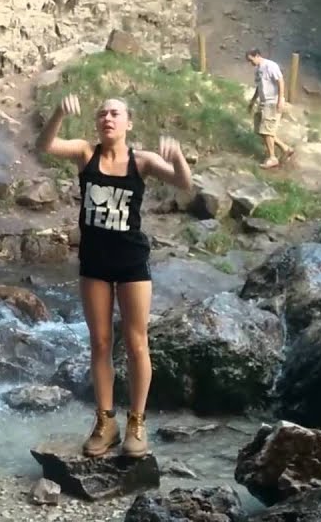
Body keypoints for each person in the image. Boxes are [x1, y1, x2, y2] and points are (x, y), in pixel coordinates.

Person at [36, 93, 193, 458]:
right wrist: (59, 112)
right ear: (97, 123)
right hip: (94, 262)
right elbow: (44, 144)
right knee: (101, 342)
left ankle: (136, 423)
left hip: (131, 262)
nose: (108, 118)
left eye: (115, 113)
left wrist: (179, 156)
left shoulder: (143, 161)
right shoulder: (84, 153)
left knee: (137, 342)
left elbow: (184, 184)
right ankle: (105, 423)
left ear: (128, 123)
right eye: (103, 113)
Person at [245, 49, 293, 169]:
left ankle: (272, 158)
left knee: (266, 131)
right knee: (261, 130)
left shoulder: (270, 66)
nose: (250, 63)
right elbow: (259, 87)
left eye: (251, 60)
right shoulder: (258, 69)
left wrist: (281, 99)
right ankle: (285, 149)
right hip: (263, 103)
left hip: (272, 102)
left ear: (257, 56)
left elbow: (280, 81)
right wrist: (252, 101)